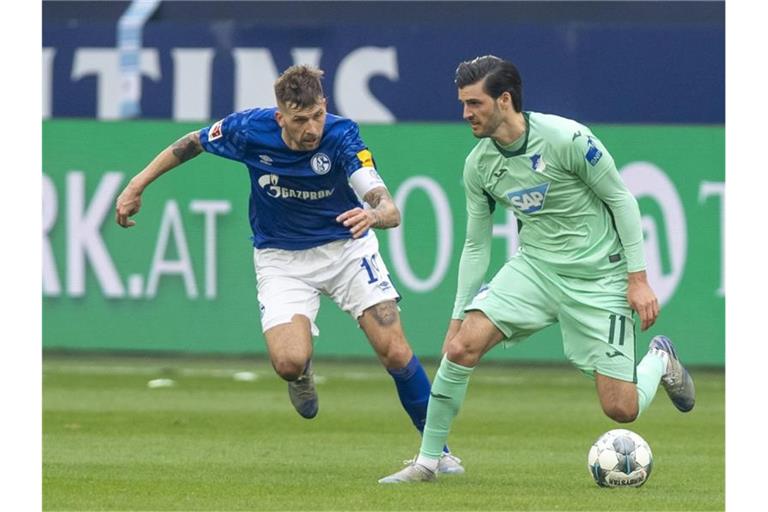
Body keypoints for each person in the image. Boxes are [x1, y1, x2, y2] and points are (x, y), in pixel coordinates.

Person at [114, 65, 463, 474]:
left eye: (317, 115)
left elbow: (381, 197)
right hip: (281, 258)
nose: (311, 128)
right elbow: (192, 143)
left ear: (324, 106)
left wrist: (378, 214)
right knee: (288, 362)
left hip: (345, 249)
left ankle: (438, 453)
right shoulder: (247, 129)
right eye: (300, 120)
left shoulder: (342, 134)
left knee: (395, 349)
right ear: (280, 116)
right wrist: (137, 184)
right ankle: (302, 373)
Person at [378, 55, 695, 483]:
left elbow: (623, 200)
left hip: (599, 278)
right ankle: (429, 461)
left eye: (474, 104)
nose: (465, 114)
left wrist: (637, 280)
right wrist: (457, 316)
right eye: (463, 103)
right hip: (534, 270)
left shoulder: (567, 139)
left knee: (622, 408)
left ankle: (661, 358)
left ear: (504, 99)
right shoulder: (480, 165)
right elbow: (476, 243)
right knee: (460, 348)